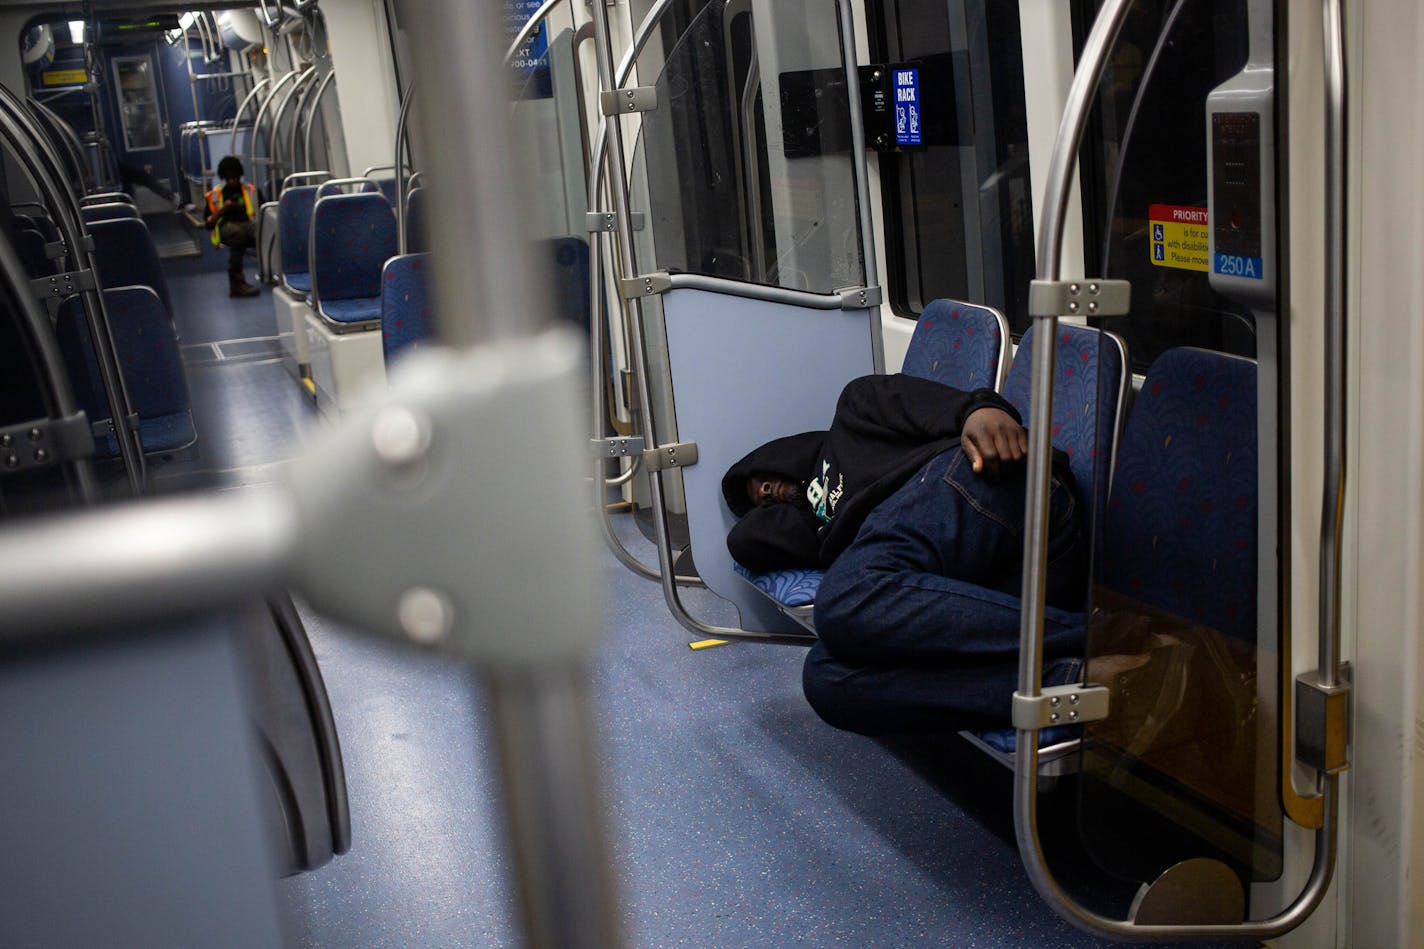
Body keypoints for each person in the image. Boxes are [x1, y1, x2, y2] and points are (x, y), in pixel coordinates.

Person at [721, 372, 1092, 735]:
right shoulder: (823, 533)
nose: (767, 490)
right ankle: (1074, 674)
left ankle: (1094, 635)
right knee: (827, 679)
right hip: (978, 581)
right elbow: (747, 542)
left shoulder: (854, 411)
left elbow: (937, 406)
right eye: (761, 500)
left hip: (981, 484)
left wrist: (980, 411)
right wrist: (795, 503)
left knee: (840, 600)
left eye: (762, 479)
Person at [205, 155, 260, 298]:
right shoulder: (216, 196)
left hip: (250, 225)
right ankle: (236, 284)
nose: (232, 181)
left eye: (235, 178)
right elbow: (208, 223)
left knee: (265, 232)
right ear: (224, 178)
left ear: (240, 175)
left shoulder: (251, 191)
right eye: (229, 179)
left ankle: (274, 271)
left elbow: (265, 212)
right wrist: (223, 210)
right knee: (237, 234)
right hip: (228, 228)